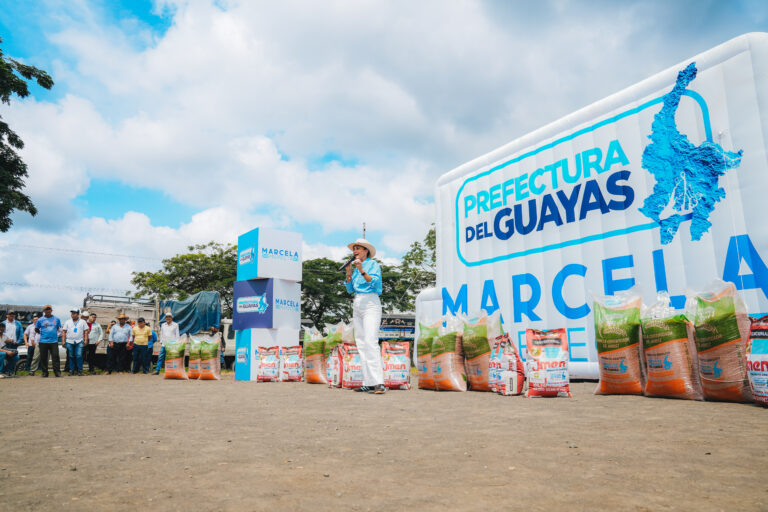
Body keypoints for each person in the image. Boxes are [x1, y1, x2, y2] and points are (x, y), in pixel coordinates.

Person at [344, 238, 386, 394]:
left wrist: (361, 269)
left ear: (365, 250)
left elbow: (374, 283)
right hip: (358, 302)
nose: (355, 251)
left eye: (358, 248)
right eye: (353, 248)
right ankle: (368, 382)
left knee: (370, 341)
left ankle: (379, 382)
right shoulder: (354, 268)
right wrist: (349, 272)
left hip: (371, 302)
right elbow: (349, 290)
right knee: (361, 343)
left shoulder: (372, 265)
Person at [35, 305, 63, 378]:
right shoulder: (40, 320)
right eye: (46, 309)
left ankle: (57, 372)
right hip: (43, 341)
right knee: (43, 357)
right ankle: (44, 373)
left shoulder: (56, 319)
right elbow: (36, 329)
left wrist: (55, 334)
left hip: (54, 341)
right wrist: (43, 334)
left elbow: (59, 328)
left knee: (56, 357)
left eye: (49, 309)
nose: (48, 311)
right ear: (44, 311)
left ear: (51, 310)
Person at [62, 309, 89, 376]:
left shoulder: (83, 322)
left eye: (74, 313)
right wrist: (63, 341)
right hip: (69, 341)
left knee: (79, 356)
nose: (73, 315)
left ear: (78, 314)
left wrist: (86, 340)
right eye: (72, 313)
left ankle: (80, 370)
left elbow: (86, 331)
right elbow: (64, 332)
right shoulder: (67, 322)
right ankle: (71, 370)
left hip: (79, 341)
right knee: (71, 356)